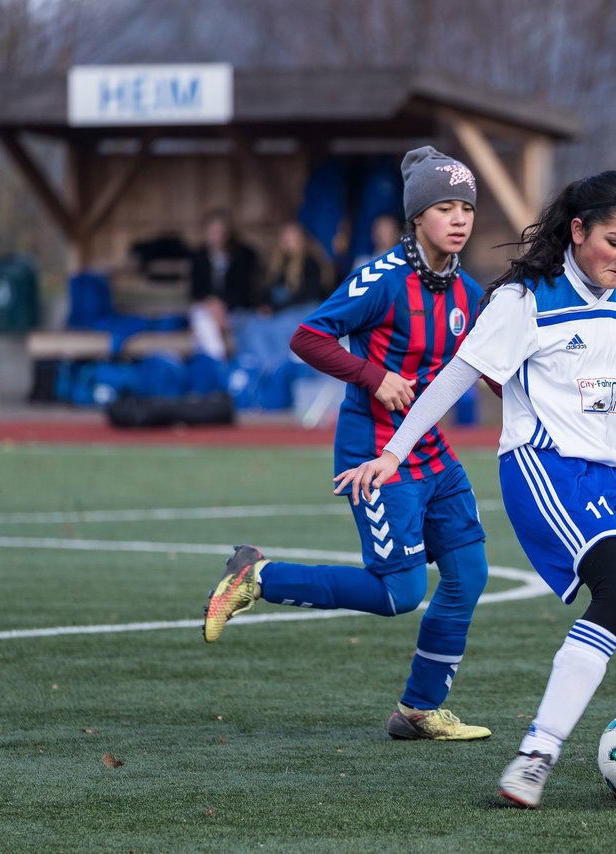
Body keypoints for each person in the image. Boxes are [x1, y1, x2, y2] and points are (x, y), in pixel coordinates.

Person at [335, 171, 616, 808]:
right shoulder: (526, 300)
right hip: (543, 467)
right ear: (577, 232)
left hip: (609, 476)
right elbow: (456, 376)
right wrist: (391, 453)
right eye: (614, 240)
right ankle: (535, 756)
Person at [202, 146, 495, 742]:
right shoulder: (383, 280)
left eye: (466, 206)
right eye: (444, 207)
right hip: (375, 454)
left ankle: (419, 710)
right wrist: (373, 376)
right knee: (401, 592)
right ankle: (258, 576)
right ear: (417, 216)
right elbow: (307, 337)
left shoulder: (469, 290)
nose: (459, 218)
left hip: (431, 450)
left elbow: (487, 366)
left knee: (468, 573)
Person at [188, 208, 260, 361]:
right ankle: (218, 359)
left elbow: (244, 289)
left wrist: (224, 306)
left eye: (220, 231)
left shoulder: (242, 255)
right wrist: (211, 303)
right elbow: (195, 290)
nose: (216, 236)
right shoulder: (199, 256)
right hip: (207, 308)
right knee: (201, 318)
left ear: (227, 233)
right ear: (206, 232)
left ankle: (216, 362)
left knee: (205, 325)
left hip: (234, 309)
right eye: (212, 231)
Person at [261, 222, 327, 314]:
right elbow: (266, 290)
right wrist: (265, 305)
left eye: (292, 238)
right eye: (285, 238)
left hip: (300, 310)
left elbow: (307, 295)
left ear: (301, 240)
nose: (287, 242)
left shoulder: (310, 264)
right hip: (279, 310)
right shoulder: (276, 264)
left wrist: (275, 309)